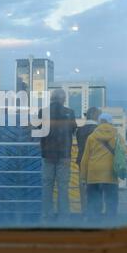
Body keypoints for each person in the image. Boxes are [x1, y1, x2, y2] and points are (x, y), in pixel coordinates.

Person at [80, 113, 127, 224]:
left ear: (100, 122)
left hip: (93, 174)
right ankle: (110, 226)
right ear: (110, 123)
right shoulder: (117, 136)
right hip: (110, 174)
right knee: (111, 203)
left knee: (94, 203)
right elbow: (124, 152)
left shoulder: (92, 137)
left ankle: (94, 227)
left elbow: (85, 158)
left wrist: (83, 177)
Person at [39, 89, 77, 223]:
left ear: (51, 98)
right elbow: (73, 130)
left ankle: (46, 215)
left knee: (47, 186)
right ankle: (64, 217)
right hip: (64, 155)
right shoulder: (69, 112)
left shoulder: (42, 112)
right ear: (62, 99)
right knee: (63, 186)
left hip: (47, 155)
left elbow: (38, 131)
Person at [76, 107, 102, 214]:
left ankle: (85, 213)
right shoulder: (99, 130)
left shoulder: (79, 130)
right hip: (96, 162)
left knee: (83, 188)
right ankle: (95, 213)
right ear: (96, 116)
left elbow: (80, 146)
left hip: (82, 161)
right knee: (97, 188)